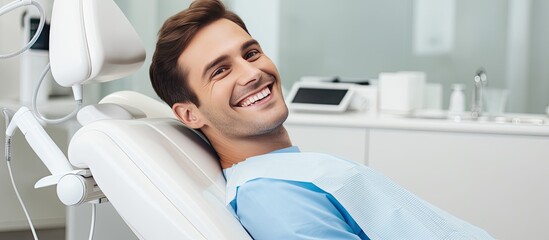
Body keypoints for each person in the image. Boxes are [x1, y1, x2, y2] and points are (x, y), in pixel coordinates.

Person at [149, 0, 494, 239]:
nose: (252, 73)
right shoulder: (273, 197)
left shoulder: (285, 170)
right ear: (189, 114)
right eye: (221, 71)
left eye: (251, 53)